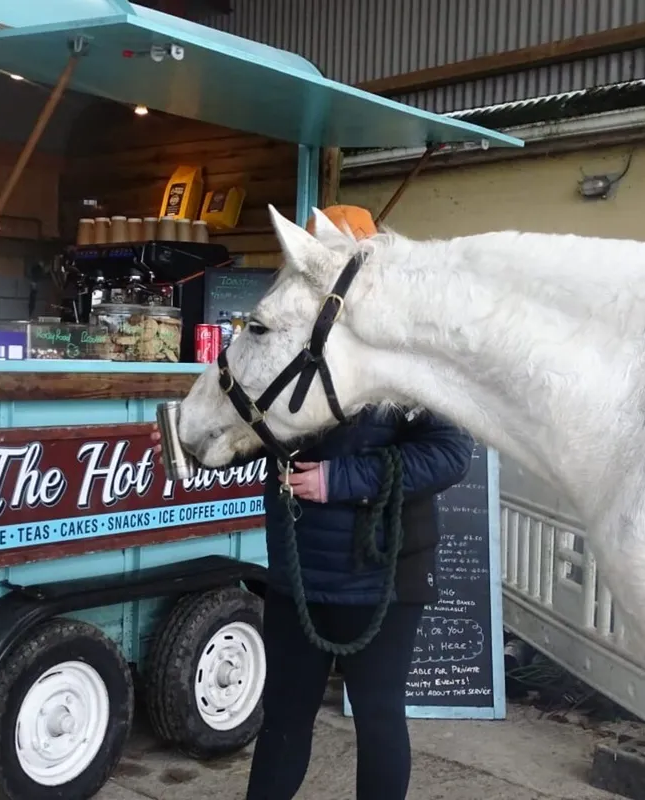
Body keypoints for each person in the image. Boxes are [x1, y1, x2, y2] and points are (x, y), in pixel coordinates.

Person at [151, 208, 475, 800]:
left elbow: (451, 455)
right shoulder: (300, 339)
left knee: (378, 720)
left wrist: (340, 479)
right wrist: (206, 442)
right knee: (283, 721)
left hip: (380, 577)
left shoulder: (408, 356)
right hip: (298, 575)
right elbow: (271, 431)